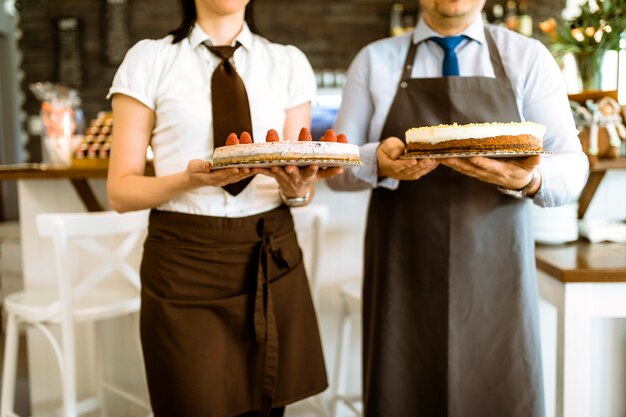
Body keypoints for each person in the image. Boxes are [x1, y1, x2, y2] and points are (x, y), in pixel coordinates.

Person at [327, 0, 588, 416]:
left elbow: (573, 167)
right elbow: (333, 169)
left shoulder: (527, 57)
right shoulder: (374, 62)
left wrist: (530, 178)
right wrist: (376, 159)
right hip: (402, 275)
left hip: (499, 277)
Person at [106, 1, 339, 416]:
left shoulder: (287, 63)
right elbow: (120, 192)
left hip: (270, 257)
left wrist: (299, 187)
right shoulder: (150, 59)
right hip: (184, 266)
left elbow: (295, 187)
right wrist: (189, 181)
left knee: (267, 408)